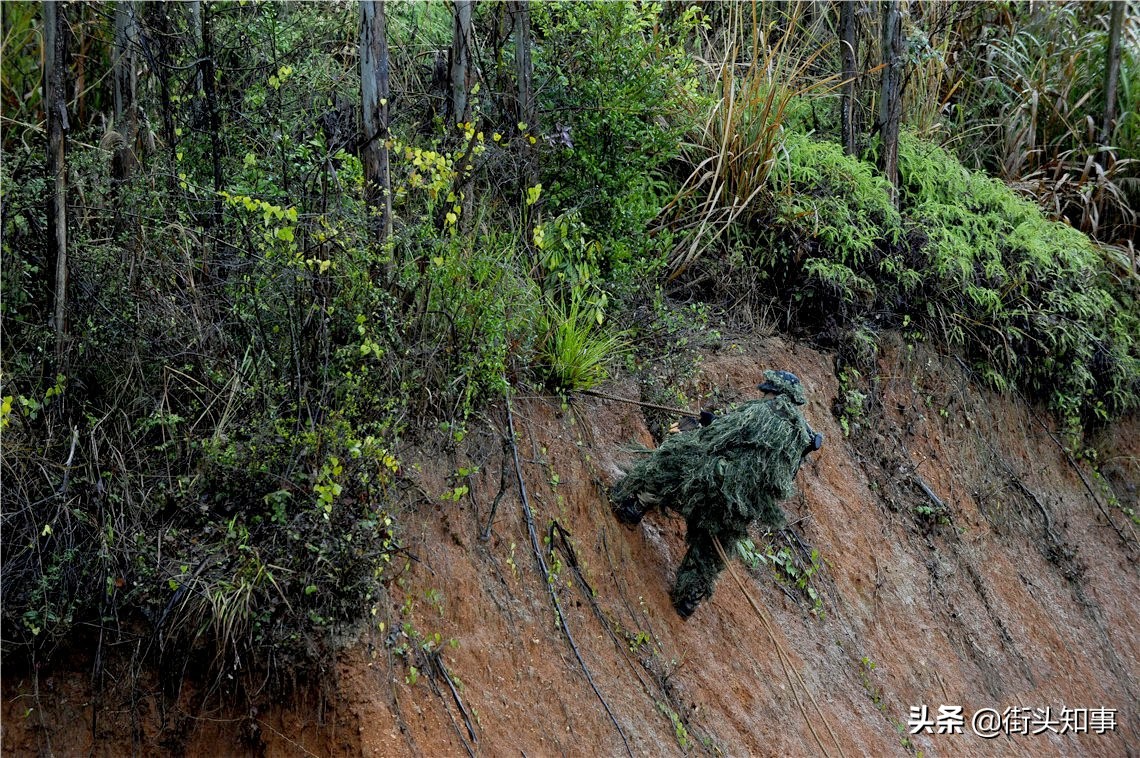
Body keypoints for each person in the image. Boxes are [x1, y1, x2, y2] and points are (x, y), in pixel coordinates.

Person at [611, 370, 823, 618]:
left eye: (766, 391)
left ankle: (633, 507)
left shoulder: (761, 410)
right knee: (713, 546)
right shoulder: (799, 435)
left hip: (719, 480)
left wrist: (700, 427)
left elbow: (717, 438)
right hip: (748, 505)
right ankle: (689, 599)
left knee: (672, 461)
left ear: (773, 391)